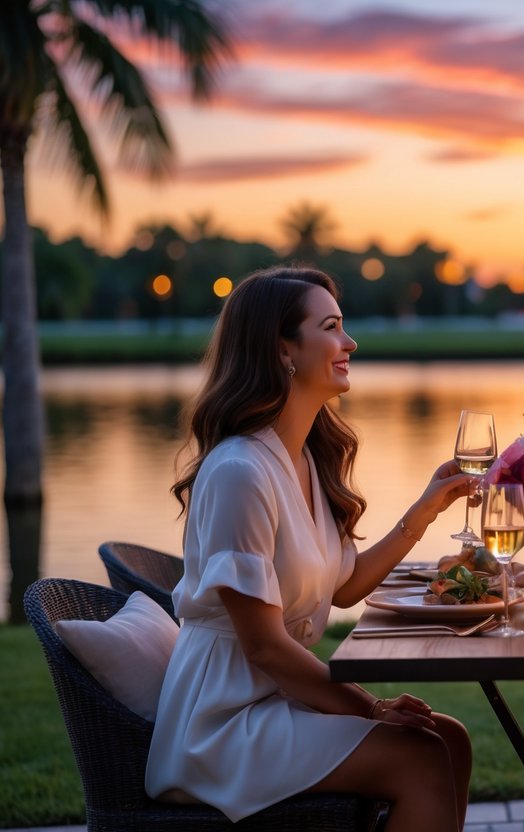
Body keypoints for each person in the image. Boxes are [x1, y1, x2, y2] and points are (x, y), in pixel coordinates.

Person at [146, 266, 474, 830]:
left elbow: (344, 588)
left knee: (450, 738)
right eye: (331, 327)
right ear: (283, 350)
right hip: (224, 723)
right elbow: (267, 649)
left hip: (279, 702)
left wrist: (425, 510)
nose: (350, 343)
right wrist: (371, 706)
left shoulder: (303, 457)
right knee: (419, 755)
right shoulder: (240, 472)